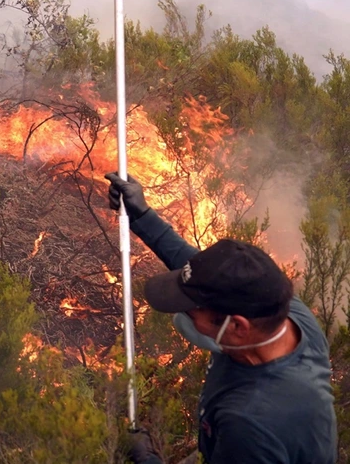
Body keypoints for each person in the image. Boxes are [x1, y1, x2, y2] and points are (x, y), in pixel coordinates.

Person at [106, 173, 336, 464]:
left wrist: (147, 459)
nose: (183, 314)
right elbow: (209, 276)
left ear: (237, 326)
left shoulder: (250, 424)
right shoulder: (284, 313)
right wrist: (143, 215)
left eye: (192, 309)